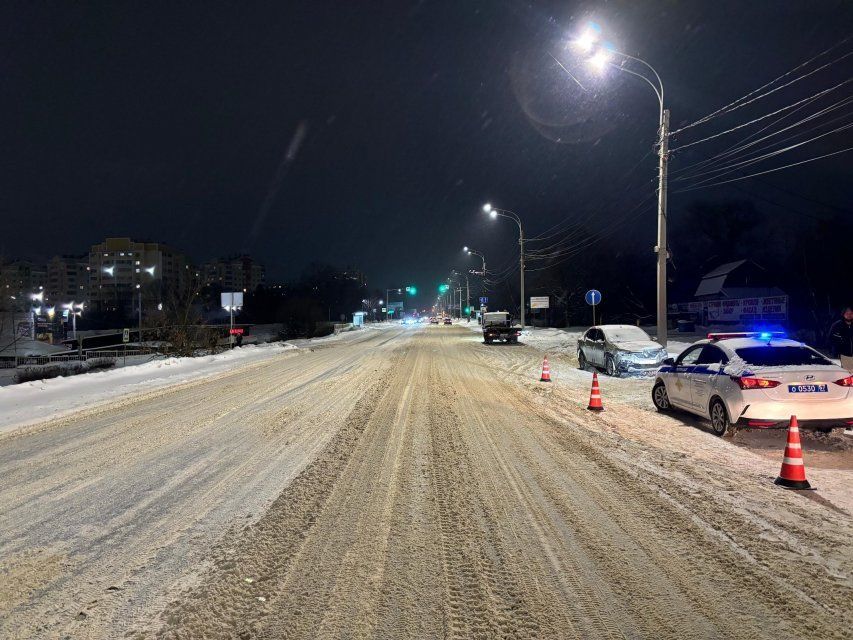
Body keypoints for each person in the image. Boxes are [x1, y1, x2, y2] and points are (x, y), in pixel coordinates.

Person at [829, 306, 853, 371]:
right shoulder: (837, 325)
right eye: (847, 313)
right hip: (844, 355)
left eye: (851, 313)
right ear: (843, 314)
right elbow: (831, 338)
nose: (849, 315)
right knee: (848, 373)